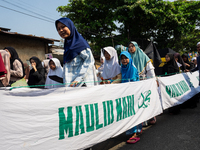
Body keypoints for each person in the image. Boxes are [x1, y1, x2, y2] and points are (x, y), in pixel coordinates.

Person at [55, 18, 97, 87]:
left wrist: (78, 78)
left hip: (81, 85)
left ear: (70, 26)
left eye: (63, 27)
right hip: (71, 86)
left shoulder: (80, 44)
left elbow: (89, 62)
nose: (61, 30)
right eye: (58, 29)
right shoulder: (67, 47)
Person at [128, 41, 156, 125]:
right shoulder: (128, 58)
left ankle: (151, 116)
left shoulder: (143, 56)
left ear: (136, 46)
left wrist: (153, 80)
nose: (131, 48)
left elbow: (150, 70)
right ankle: (142, 121)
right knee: (138, 102)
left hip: (144, 82)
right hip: (134, 83)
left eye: (132, 46)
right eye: (129, 47)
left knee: (146, 100)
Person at [120, 51, 141, 144]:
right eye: (122, 58)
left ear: (129, 58)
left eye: (126, 58)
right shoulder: (122, 68)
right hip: (125, 93)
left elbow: (132, 81)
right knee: (128, 112)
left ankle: (135, 132)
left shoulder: (132, 68)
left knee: (133, 111)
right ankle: (132, 130)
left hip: (133, 93)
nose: (124, 60)